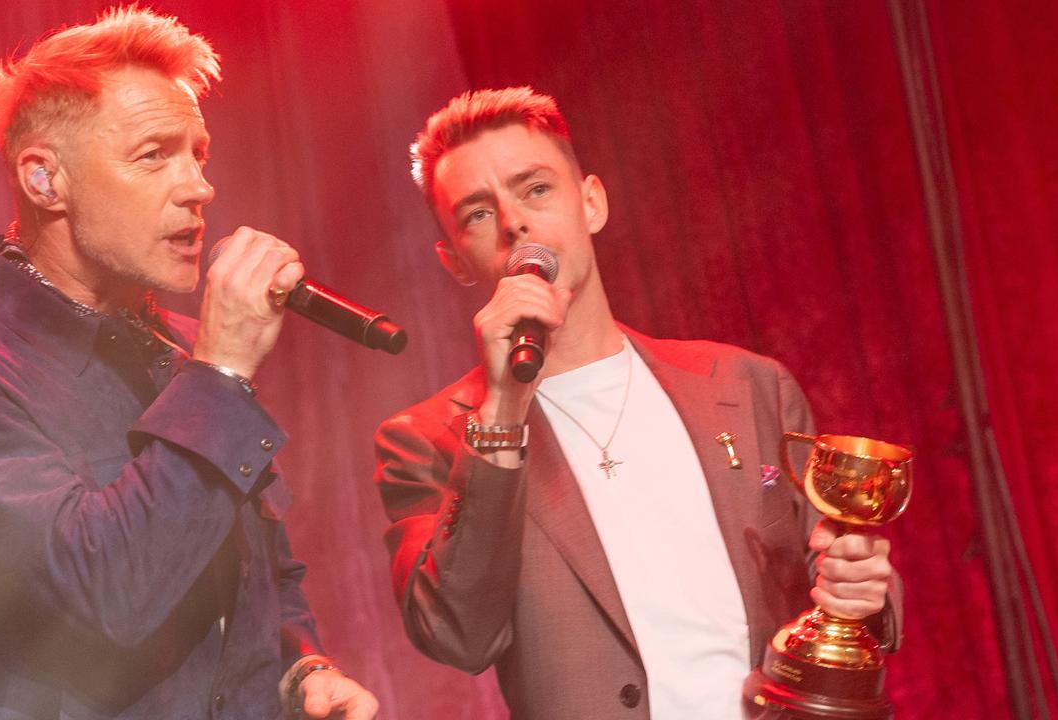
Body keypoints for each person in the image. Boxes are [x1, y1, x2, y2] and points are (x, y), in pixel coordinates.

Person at [0, 8, 377, 719]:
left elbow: (258, 566)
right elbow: (109, 592)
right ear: (45, 180)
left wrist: (303, 666)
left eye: (198, 154)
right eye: (154, 155)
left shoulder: (176, 352)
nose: (198, 187)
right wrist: (225, 372)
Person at [373, 87, 899, 720]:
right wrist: (504, 412)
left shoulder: (747, 385)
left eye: (535, 189)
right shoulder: (426, 439)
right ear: (454, 259)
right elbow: (457, 633)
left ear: (591, 202)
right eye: (477, 214)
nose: (515, 223)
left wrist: (861, 583)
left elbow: (828, 553)